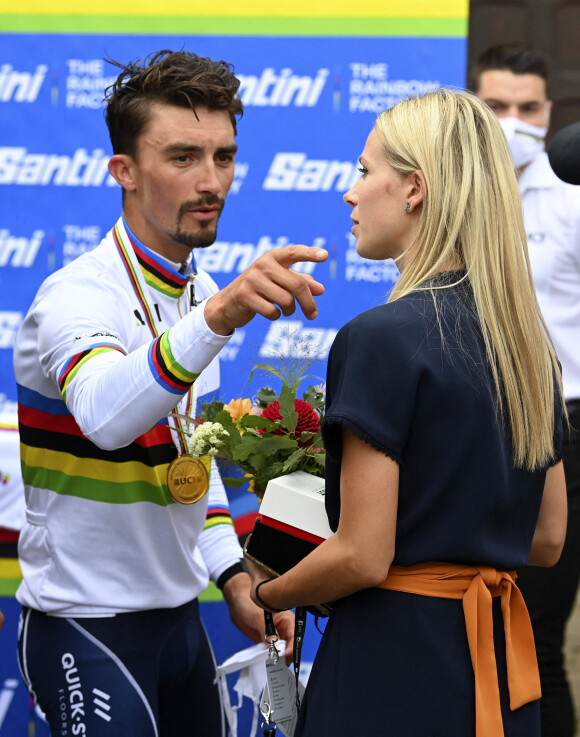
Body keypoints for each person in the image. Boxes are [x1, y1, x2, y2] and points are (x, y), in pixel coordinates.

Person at [13, 49, 328, 737]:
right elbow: (105, 416)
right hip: (84, 628)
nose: (211, 180)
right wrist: (216, 320)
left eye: (224, 156)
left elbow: (195, 464)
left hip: (182, 620)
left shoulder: (198, 294)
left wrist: (235, 578)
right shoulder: (75, 294)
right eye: (184, 156)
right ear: (123, 171)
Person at [245, 88, 568, 737]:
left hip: (394, 666)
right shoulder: (527, 342)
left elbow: (363, 554)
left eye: (366, 171)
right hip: (499, 666)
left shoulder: (381, 337)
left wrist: (270, 592)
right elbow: (547, 537)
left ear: (415, 189)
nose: (350, 192)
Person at [472, 44, 580, 737]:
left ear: (549, 112)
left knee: (534, 634)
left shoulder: (574, 195)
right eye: (497, 107)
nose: (513, 121)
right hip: (470, 430)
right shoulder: (444, 192)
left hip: (562, 428)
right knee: (475, 629)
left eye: (527, 108)